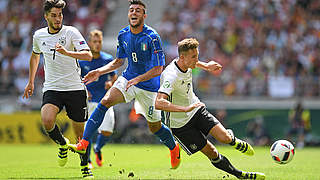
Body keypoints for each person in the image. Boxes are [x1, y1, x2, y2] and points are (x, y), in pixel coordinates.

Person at [69, 0, 181, 169]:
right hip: (128, 79)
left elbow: (159, 69)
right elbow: (119, 61)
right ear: (128, 14)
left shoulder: (152, 37)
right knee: (105, 101)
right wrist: (99, 71)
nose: (134, 13)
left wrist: (139, 79)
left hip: (149, 87)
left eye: (138, 10)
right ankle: (84, 143)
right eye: (131, 10)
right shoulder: (123, 34)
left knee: (155, 127)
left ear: (144, 15)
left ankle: (174, 148)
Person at [155, 38, 265, 180]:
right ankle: (241, 175)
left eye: (197, 55)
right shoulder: (171, 76)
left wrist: (206, 66)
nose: (196, 59)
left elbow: (193, 63)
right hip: (180, 125)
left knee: (224, 138)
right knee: (212, 152)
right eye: (194, 56)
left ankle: (233, 141)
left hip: (196, 109)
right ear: (182, 57)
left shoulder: (184, 61)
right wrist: (185, 109)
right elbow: (159, 103)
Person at [22, 0, 93, 178]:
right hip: (52, 87)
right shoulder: (38, 35)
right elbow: (35, 56)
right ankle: (62, 144)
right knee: (46, 120)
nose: (58, 18)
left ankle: (85, 166)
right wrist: (30, 81)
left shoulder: (71, 32)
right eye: (53, 15)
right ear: (46, 16)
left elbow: (88, 55)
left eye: (60, 14)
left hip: (75, 88)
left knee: (80, 134)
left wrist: (68, 53)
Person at [79, 29, 118, 168]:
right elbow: (76, 79)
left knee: (107, 130)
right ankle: (87, 160)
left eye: (99, 42)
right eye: (94, 42)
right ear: (89, 43)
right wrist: (84, 90)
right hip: (88, 101)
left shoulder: (107, 59)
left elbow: (114, 77)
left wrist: (111, 83)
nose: (97, 44)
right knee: (87, 133)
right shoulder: (82, 61)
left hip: (105, 100)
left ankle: (98, 148)